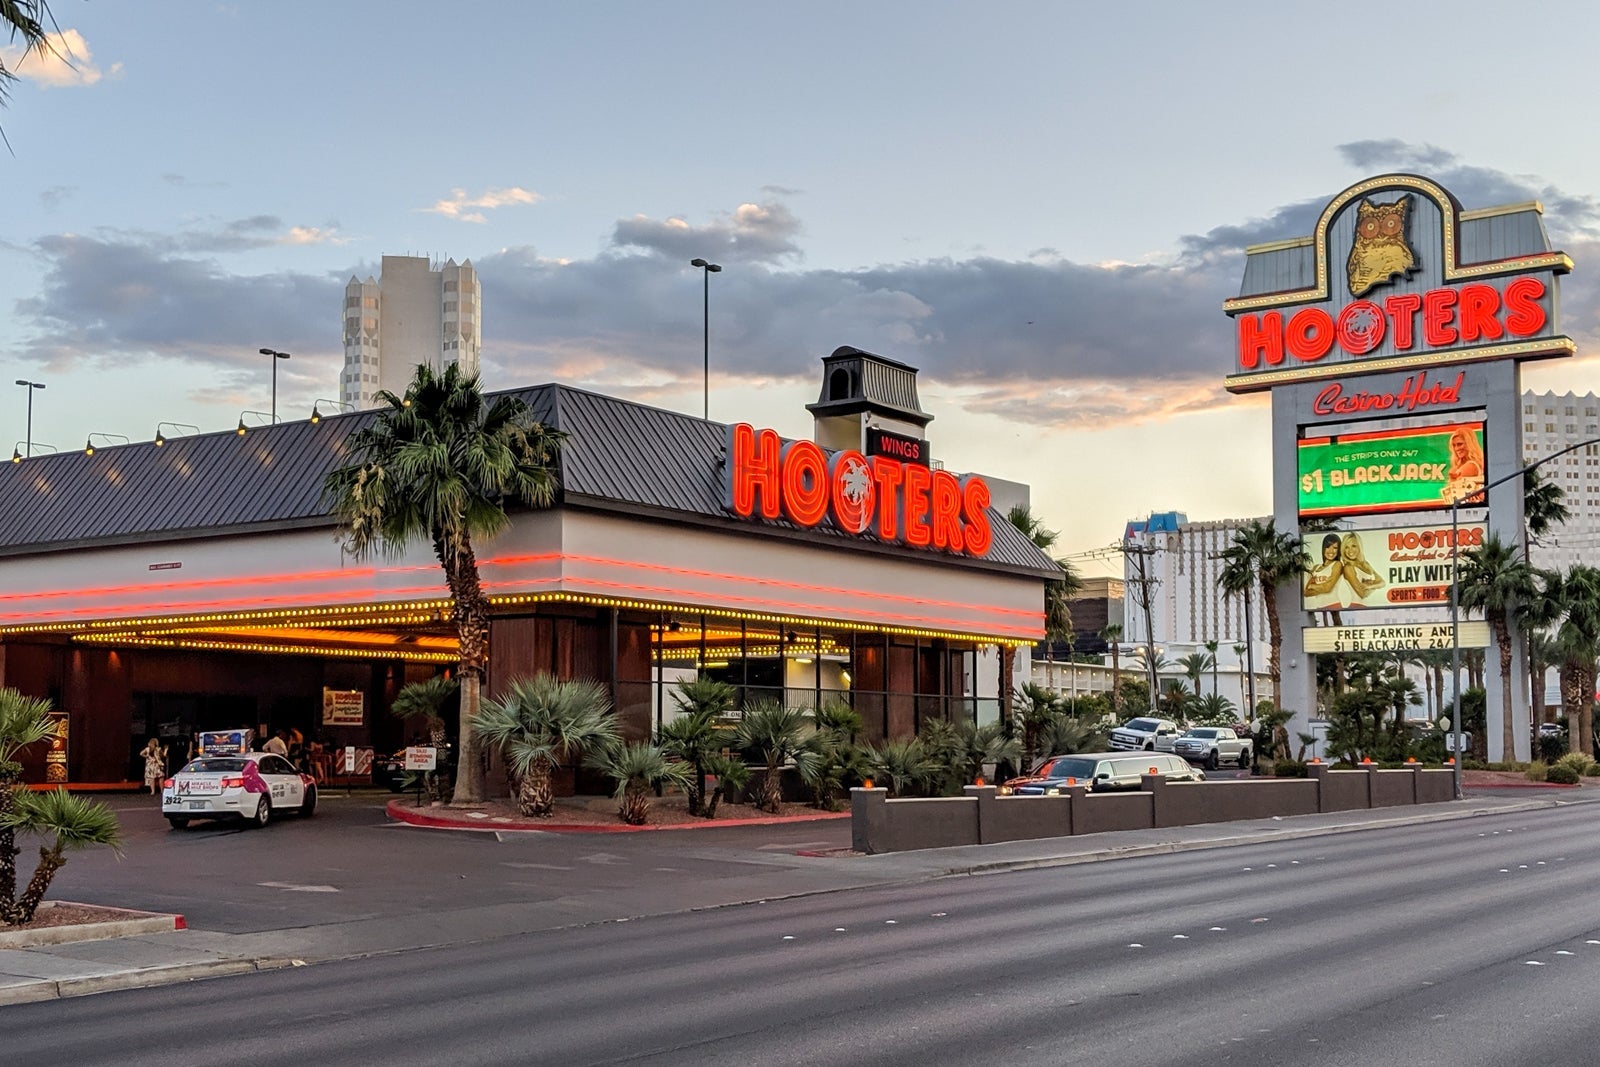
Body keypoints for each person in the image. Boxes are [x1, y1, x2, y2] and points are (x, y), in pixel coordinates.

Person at [1302, 534, 1346, 609]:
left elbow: (1328, 588)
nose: (1331, 551)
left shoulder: (1337, 564)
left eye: (1335, 548)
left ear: (1338, 550)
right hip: (1319, 607)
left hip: (1334, 605)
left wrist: (1312, 586)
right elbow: (1306, 592)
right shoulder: (1316, 567)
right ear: (1323, 548)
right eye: (1328, 547)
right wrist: (1323, 587)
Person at [1443, 427, 1485, 502]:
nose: (1456, 449)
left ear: (1469, 444)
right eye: (1454, 445)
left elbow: (1453, 493)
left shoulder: (1470, 465)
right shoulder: (1461, 465)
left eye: (1460, 444)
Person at [1340, 533, 1385, 600]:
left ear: (1359, 547)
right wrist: (1375, 584)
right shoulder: (1348, 568)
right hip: (1358, 606)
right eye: (1346, 547)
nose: (1350, 551)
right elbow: (1363, 594)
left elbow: (1383, 583)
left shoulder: (1366, 564)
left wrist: (1368, 586)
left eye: (1354, 546)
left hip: (1370, 606)